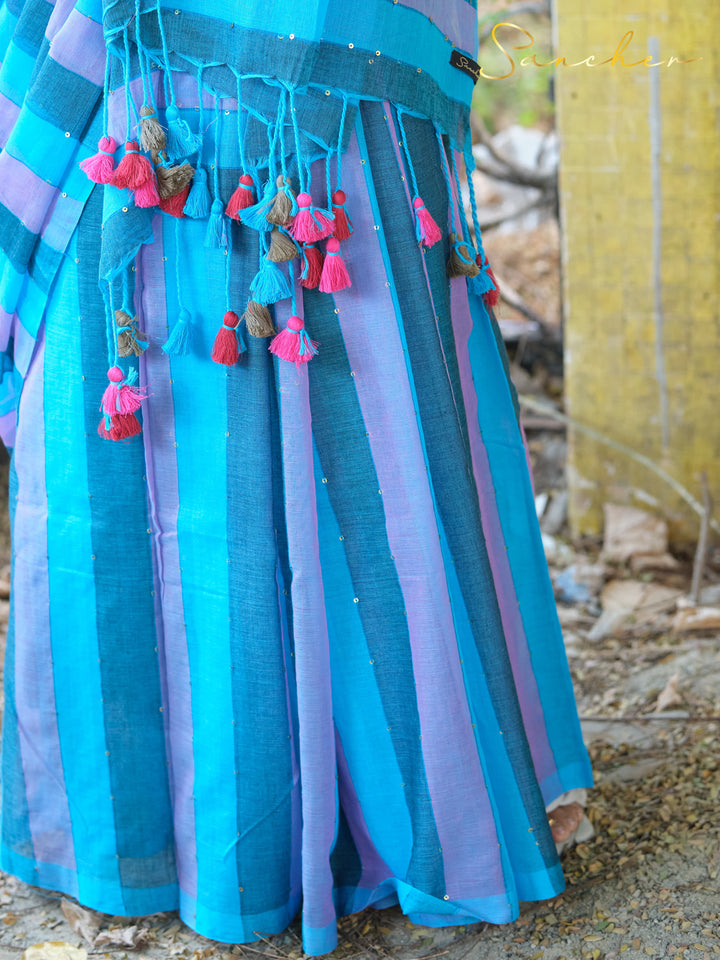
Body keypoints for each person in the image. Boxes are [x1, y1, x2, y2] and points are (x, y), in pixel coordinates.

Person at [0, 0, 592, 955]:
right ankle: (158, 834)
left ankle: (369, 818)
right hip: (138, 95)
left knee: (363, 403)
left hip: (338, 77)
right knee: (156, 438)